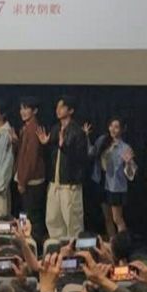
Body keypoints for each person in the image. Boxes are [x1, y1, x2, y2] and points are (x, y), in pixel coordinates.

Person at [43, 96, 89, 240]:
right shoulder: (55, 128)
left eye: (62, 107)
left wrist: (64, 146)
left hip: (70, 185)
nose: (58, 110)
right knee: (53, 219)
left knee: (72, 222)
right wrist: (45, 143)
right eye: (57, 107)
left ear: (71, 110)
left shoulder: (77, 132)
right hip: (55, 182)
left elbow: (80, 159)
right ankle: (57, 249)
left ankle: (74, 251)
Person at [91, 118, 138, 239]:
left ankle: (123, 245)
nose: (113, 129)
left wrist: (129, 162)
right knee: (107, 218)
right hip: (101, 181)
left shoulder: (125, 147)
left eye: (116, 127)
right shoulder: (102, 140)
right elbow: (92, 153)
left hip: (116, 186)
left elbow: (131, 174)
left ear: (122, 130)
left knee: (117, 218)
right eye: (111, 126)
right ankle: (113, 244)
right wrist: (85, 137)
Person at [15, 97, 49, 244]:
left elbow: (31, 158)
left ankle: (34, 246)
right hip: (27, 180)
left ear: (34, 111)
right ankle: (27, 243)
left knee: (32, 216)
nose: (22, 111)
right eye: (21, 108)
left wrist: (22, 181)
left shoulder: (33, 128)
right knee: (26, 214)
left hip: (31, 181)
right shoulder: (26, 128)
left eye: (26, 108)